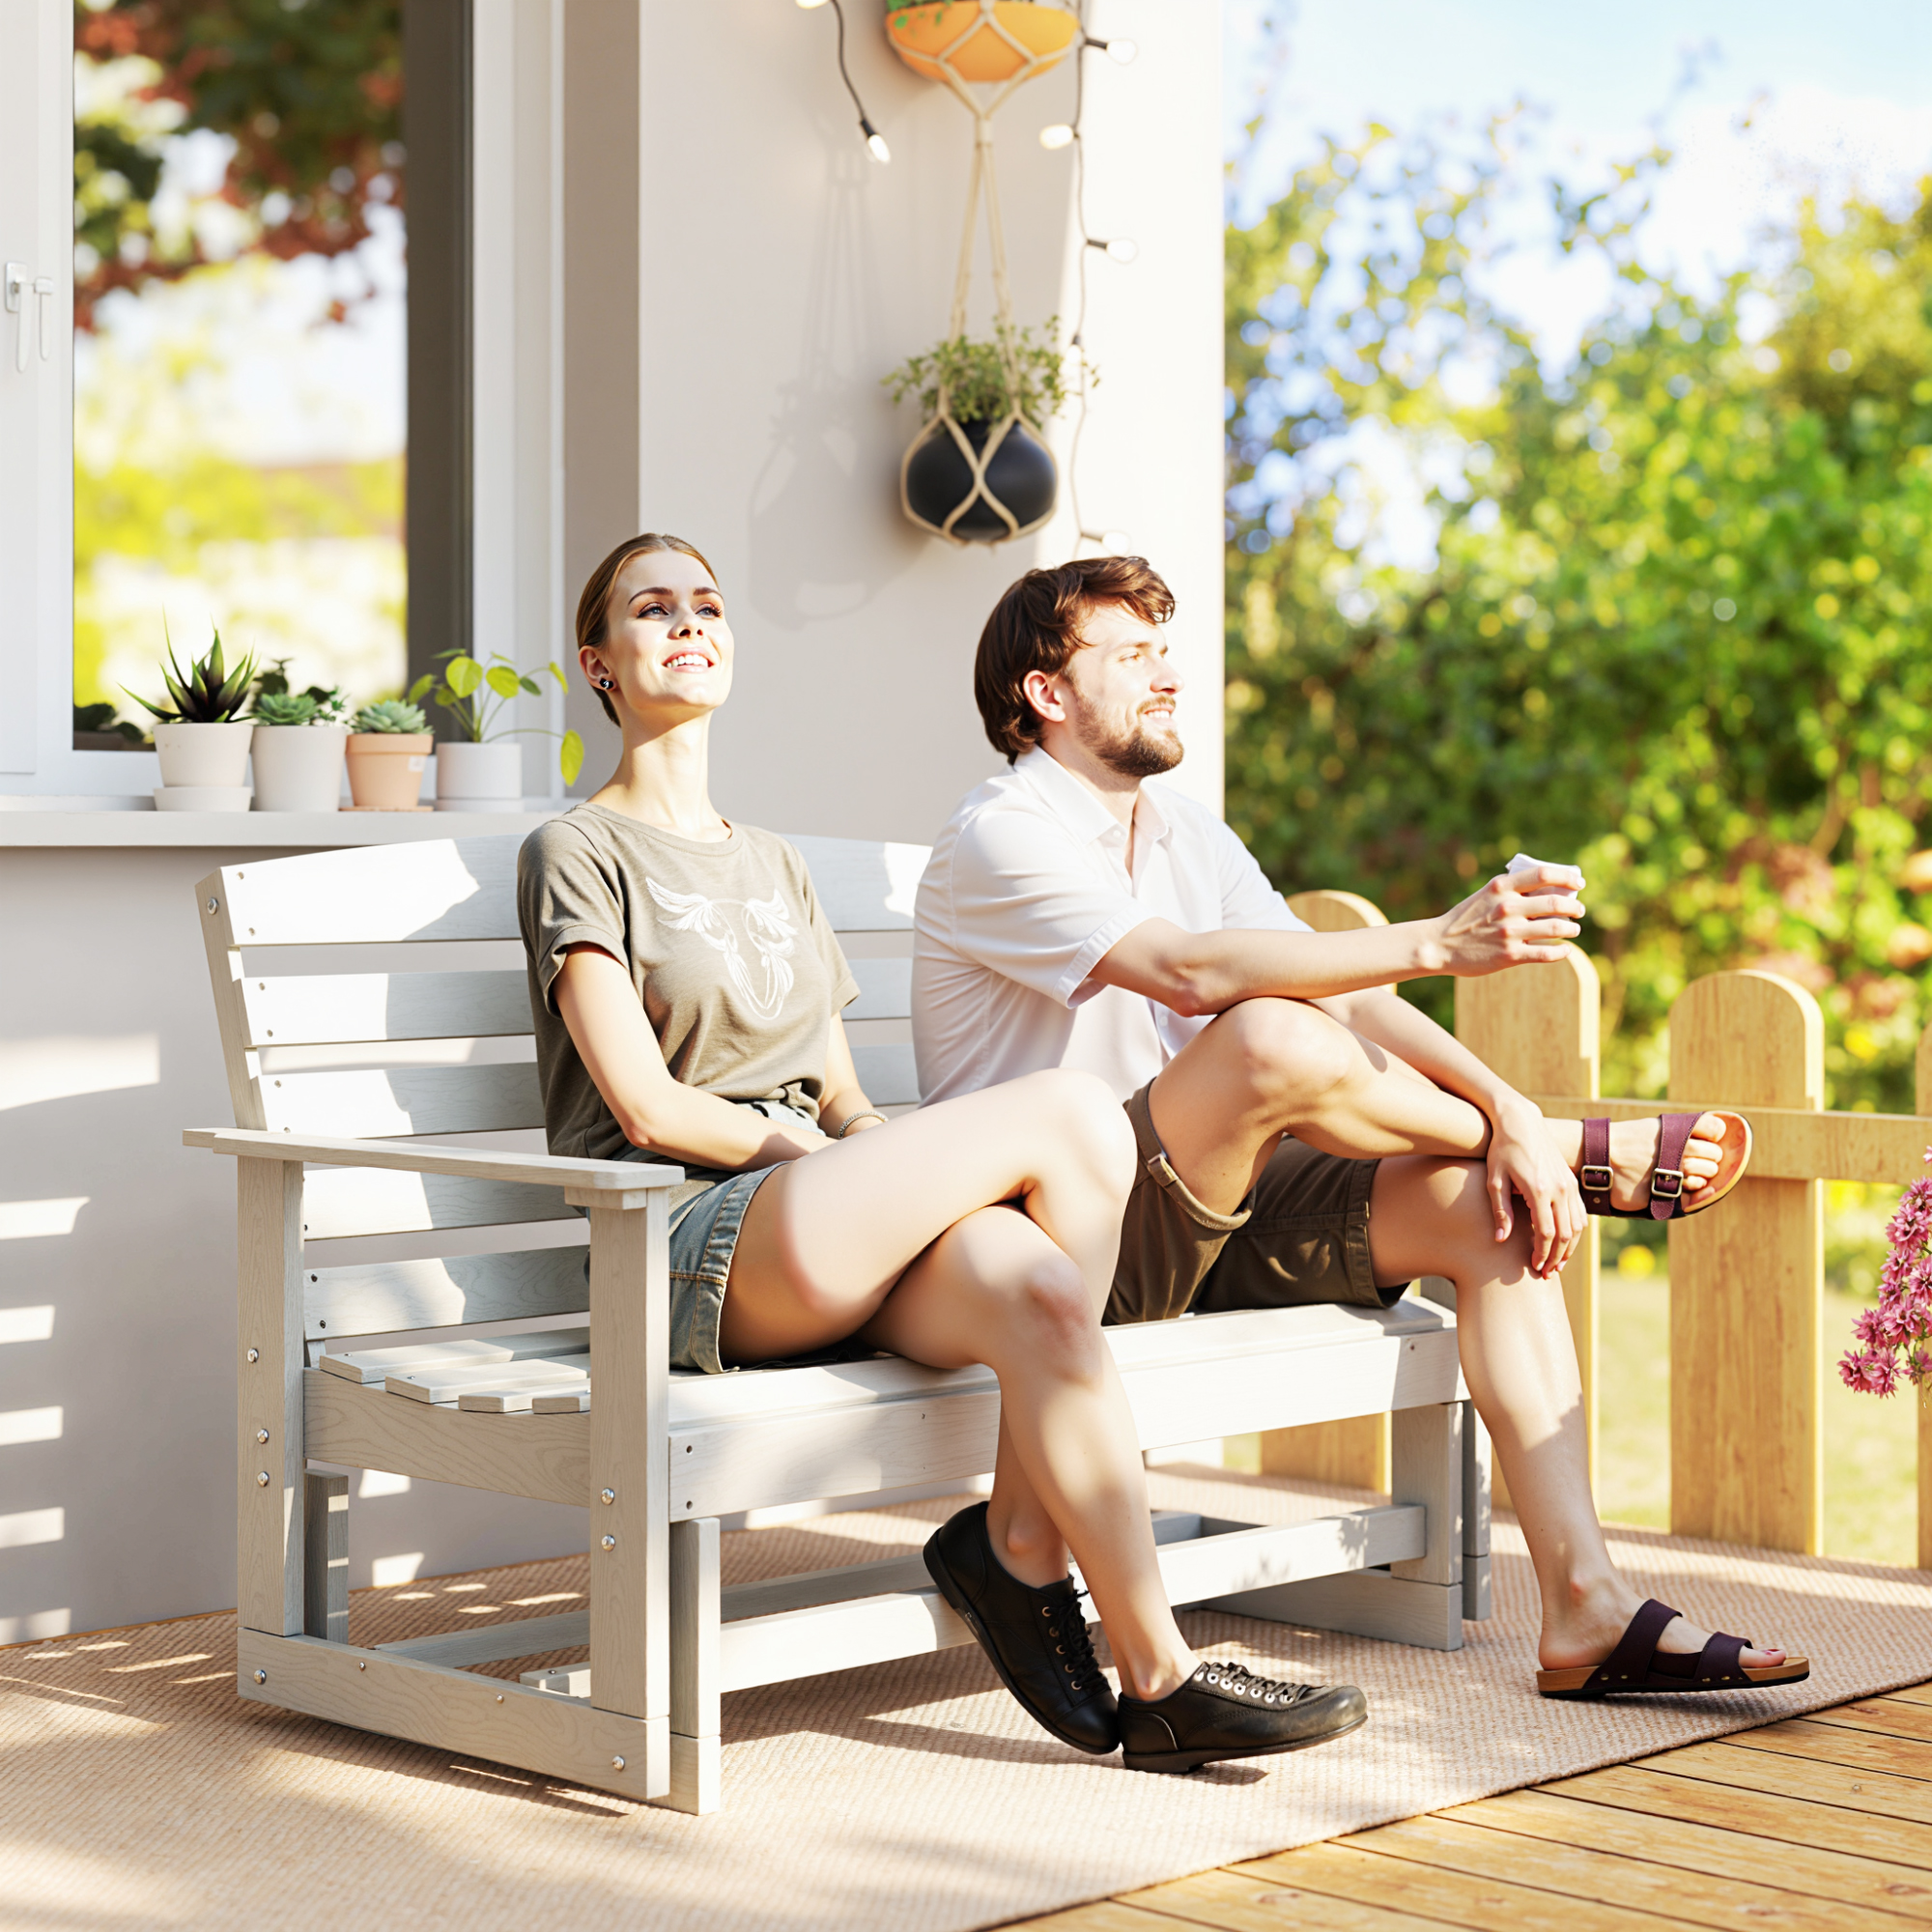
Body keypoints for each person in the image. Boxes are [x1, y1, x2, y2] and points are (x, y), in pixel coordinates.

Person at [516, 531, 1369, 1775]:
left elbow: (847, 1095)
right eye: (654, 609)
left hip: (816, 1205)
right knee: (1073, 1117)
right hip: (691, 1234)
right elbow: (643, 1105)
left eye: (707, 601)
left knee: (1035, 1284)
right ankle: (1019, 1551)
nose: (689, 621)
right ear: (601, 661)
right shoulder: (575, 851)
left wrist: (883, 1162)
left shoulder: (775, 864)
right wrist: (796, 1148)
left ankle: (1158, 1675)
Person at [912, 554, 1808, 1701]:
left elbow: (1343, 993)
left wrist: (1509, 1110)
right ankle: (1585, 1162)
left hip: (1209, 1203)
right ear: (1046, 693)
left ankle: (1585, 1606)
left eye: (1162, 649)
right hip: (1063, 1241)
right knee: (1265, 1044)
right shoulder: (1000, 832)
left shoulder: (1179, 829)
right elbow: (1194, 975)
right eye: (1129, 655)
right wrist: (1439, 938)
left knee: (1491, 1212)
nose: (1167, 675)